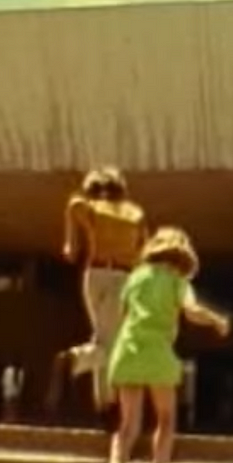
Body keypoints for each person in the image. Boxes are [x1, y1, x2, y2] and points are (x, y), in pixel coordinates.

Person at [102, 227, 230, 463]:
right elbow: (191, 310)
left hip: (127, 349)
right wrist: (216, 320)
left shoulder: (135, 278)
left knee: (128, 423)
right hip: (157, 351)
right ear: (182, 254)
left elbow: (123, 317)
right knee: (166, 418)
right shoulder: (178, 281)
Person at [60, 166, 148, 415]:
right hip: (122, 274)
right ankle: (76, 359)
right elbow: (145, 251)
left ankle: (105, 406)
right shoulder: (134, 212)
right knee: (110, 341)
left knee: (102, 337)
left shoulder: (91, 208)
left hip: (93, 273)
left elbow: (73, 204)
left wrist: (70, 240)